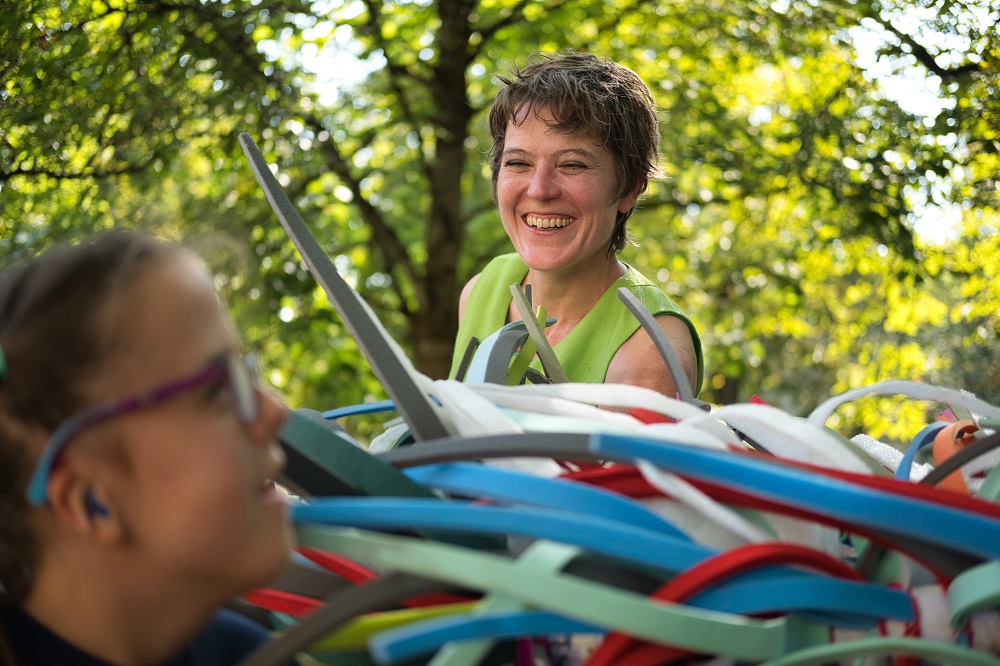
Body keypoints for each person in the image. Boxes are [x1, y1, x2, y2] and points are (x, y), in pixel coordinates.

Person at [0, 231, 294, 665]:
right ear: (90, 499)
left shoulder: (253, 655)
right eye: (217, 389)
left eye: (245, 372)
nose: (275, 410)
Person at [451, 51, 704, 398]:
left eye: (573, 165)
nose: (539, 190)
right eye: (518, 163)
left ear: (630, 189)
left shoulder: (651, 349)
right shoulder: (481, 291)